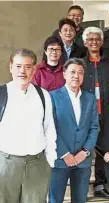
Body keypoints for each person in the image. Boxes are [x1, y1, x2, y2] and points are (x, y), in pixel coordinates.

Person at [0, 49, 57, 203]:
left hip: (37, 164)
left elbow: (49, 128)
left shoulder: (43, 95)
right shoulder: (2, 93)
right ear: (11, 67)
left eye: (27, 66)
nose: (22, 71)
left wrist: (49, 161)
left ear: (34, 69)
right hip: (6, 164)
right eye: (18, 66)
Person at [48, 58, 99, 203]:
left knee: (80, 200)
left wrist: (85, 151)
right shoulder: (52, 97)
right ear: (64, 74)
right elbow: (50, 128)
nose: (76, 76)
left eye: (80, 72)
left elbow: (94, 127)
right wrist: (64, 153)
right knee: (55, 199)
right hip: (60, 160)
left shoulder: (89, 98)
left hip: (82, 160)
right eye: (72, 72)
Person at [81, 26, 109, 199]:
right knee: (84, 148)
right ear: (85, 42)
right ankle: (82, 185)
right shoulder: (79, 63)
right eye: (90, 39)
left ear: (102, 42)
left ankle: (100, 185)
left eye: (97, 39)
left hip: (107, 114)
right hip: (85, 114)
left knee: (103, 150)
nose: (94, 42)